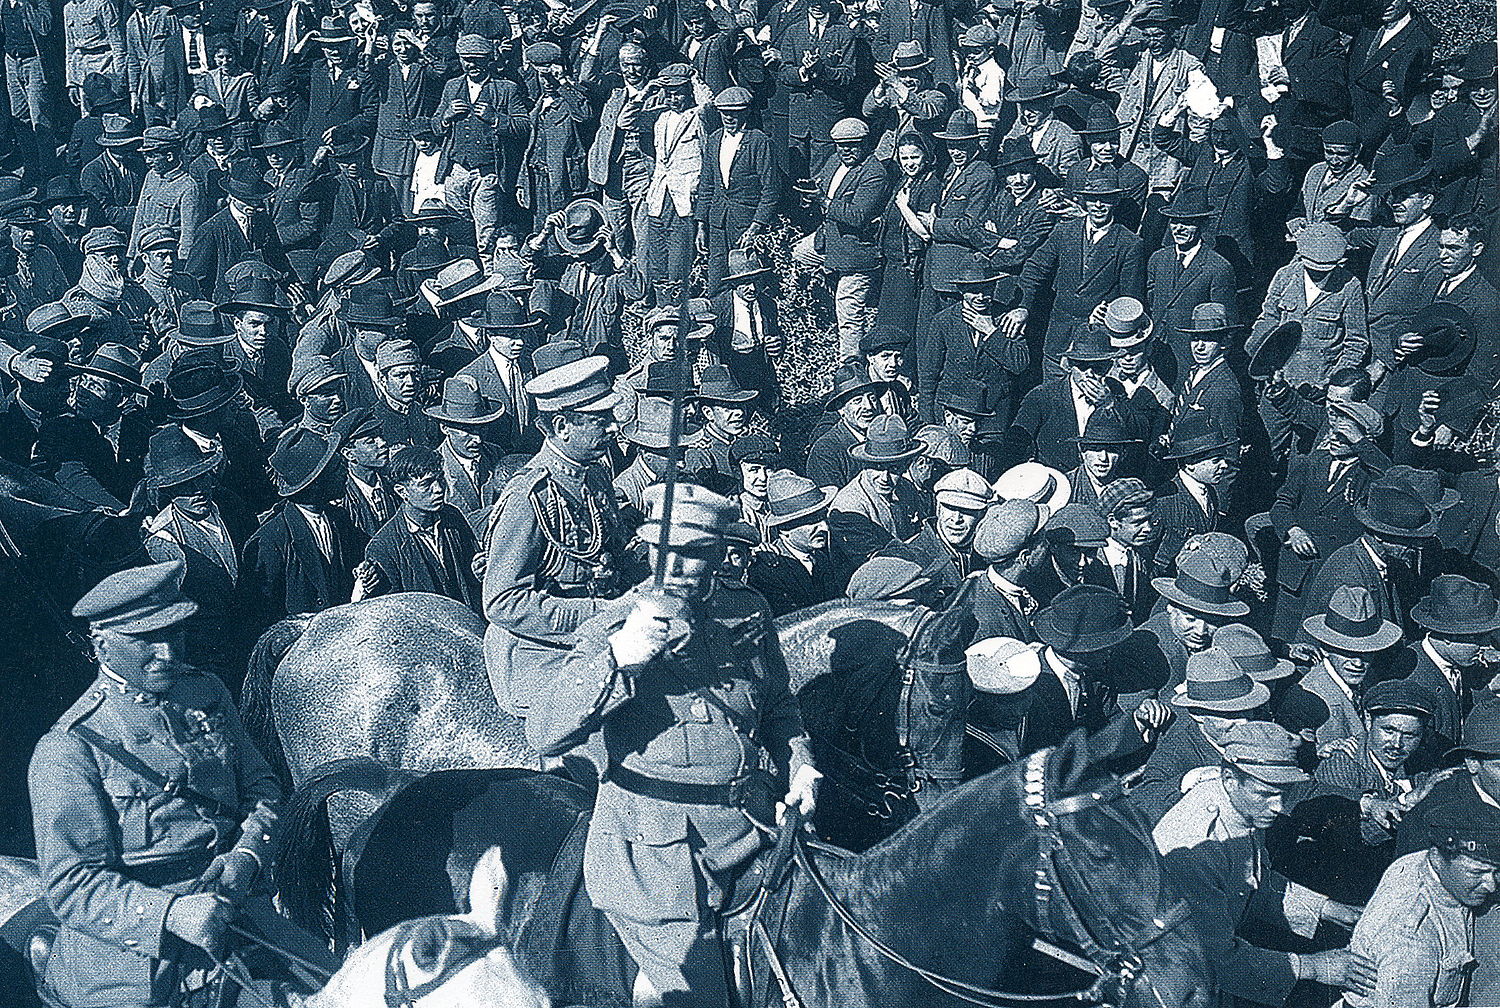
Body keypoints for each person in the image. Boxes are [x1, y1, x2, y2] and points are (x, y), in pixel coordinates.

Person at [527, 483, 819, 1008]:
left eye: (697, 555)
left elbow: (778, 707)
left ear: (721, 554)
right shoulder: (617, 625)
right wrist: (618, 658)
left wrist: (801, 766)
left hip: (752, 827)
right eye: (667, 554)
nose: (679, 569)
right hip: (658, 856)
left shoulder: (746, 613)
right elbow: (546, 729)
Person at [29, 561, 336, 1008]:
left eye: (174, 633)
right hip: (135, 959)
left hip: (239, 909)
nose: (168, 652)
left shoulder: (205, 692)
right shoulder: (70, 748)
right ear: (101, 645)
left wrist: (247, 855)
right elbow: (72, 883)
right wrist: (172, 914)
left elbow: (263, 787)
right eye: (146, 640)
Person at [1153, 720, 1378, 1006]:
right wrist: (1317, 967)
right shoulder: (1199, 845)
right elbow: (1217, 960)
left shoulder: (1242, 806)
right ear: (1230, 779)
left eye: (1283, 793)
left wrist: (1326, 909)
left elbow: (1256, 882)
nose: (1279, 807)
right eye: (1266, 793)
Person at [482, 340, 637, 715]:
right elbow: (501, 601)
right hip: (543, 652)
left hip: (602, 633)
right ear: (563, 426)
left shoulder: (595, 476)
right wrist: (602, 612)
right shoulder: (528, 498)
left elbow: (608, 556)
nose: (615, 428)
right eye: (601, 420)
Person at [356, 444, 483, 611]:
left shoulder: (452, 517)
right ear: (402, 492)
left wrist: (478, 571)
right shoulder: (383, 548)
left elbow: (472, 571)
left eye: (440, 479)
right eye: (426, 484)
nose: (438, 489)